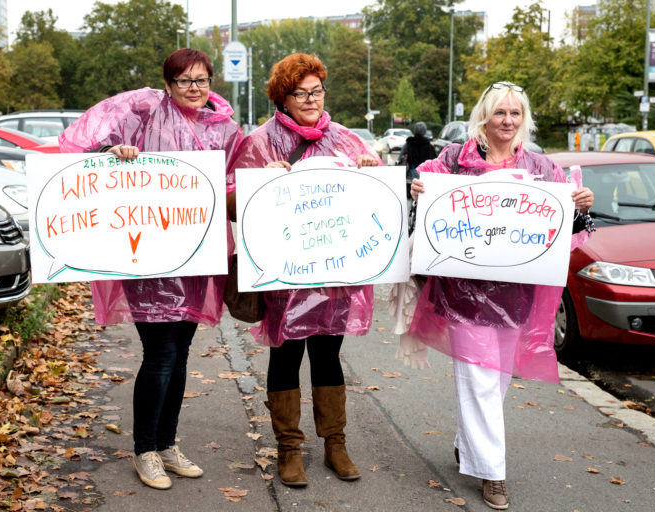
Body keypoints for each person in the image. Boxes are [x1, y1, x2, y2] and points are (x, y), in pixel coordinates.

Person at [59, 48, 242, 490]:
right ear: (168, 84)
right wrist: (111, 151)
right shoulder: (141, 114)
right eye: (184, 81)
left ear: (212, 81)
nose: (194, 88)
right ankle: (145, 451)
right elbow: (81, 148)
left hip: (196, 256)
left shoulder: (226, 130)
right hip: (147, 255)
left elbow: (236, 183)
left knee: (179, 354)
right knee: (160, 354)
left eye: (201, 80)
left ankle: (166, 444)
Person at [408, 81, 594, 510]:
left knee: (497, 381)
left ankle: (467, 443)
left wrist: (581, 206)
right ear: (484, 117)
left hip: (516, 295)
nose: (507, 121)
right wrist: (419, 188)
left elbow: (572, 229)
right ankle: (493, 473)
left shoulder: (543, 169)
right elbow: (425, 196)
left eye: (514, 113)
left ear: (522, 119)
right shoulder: (455, 160)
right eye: (499, 113)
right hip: (463, 292)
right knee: (478, 379)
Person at [226, 53, 381, 487]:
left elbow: (375, 201)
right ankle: (288, 449)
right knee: (286, 353)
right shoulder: (260, 142)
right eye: (301, 93)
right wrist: (261, 183)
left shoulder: (348, 140)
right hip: (285, 273)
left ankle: (336, 444)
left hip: (334, 273)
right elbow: (231, 200)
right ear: (283, 97)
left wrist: (373, 171)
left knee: (329, 355)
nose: (311, 99)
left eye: (317, 91)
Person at [397, 121, 437, 198]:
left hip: (410, 176)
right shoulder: (429, 145)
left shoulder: (408, 143)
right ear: (425, 131)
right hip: (424, 176)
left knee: (409, 197)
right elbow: (434, 161)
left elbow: (400, 158)